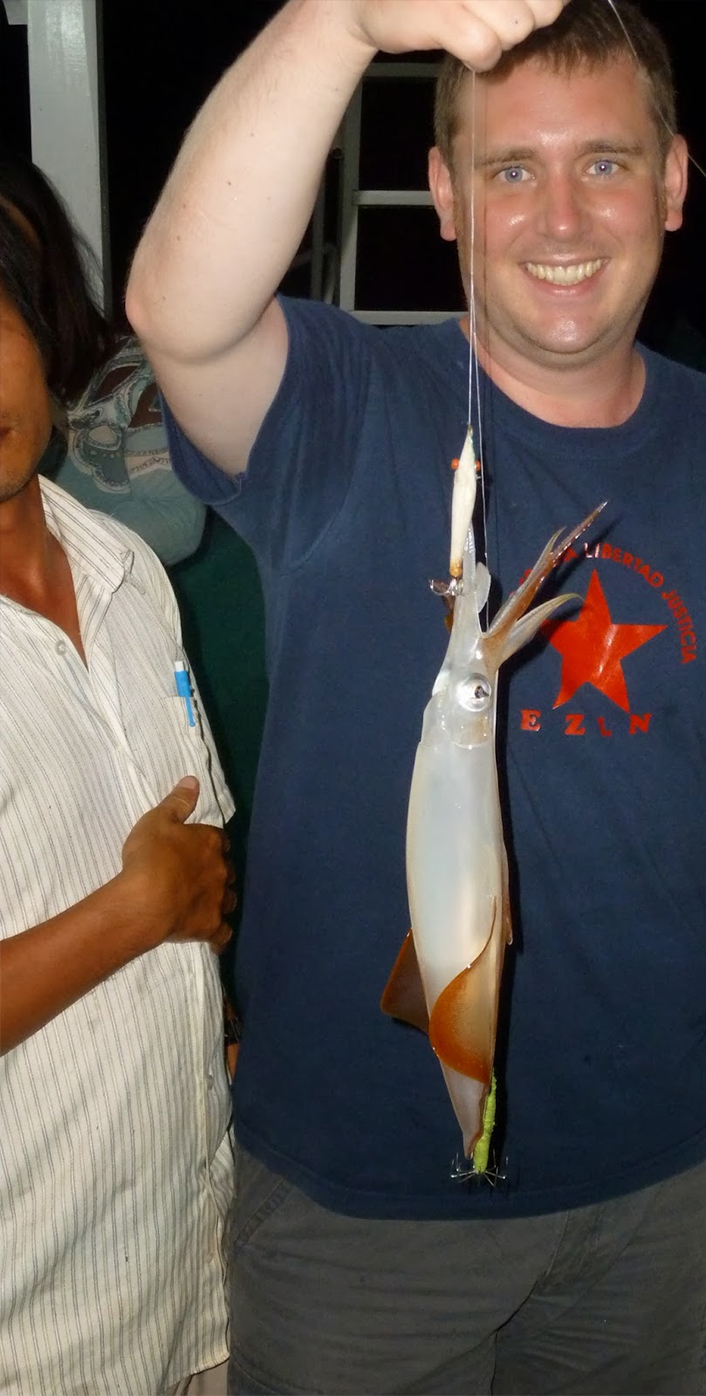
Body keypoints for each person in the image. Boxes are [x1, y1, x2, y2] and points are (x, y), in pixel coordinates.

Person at [126, 2, 706, 1392]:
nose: (561, 215)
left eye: (607, 163)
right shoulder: (349, 409)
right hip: (358, 1207)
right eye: (511, 169)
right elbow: (175, 310)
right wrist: (339, 20)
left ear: (675, 182)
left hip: (647, 1178)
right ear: (443, 196)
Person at [0, 202, 235, 1394]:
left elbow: (200, 872)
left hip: (195, 1287)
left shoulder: (128, 570)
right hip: (34, 1337)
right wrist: (135, 912)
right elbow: (161, 897)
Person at [0, 150, 207, 565]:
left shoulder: (133, 372)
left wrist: (29, 561)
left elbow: (176, 523)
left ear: (47, 258)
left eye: (13, 254)